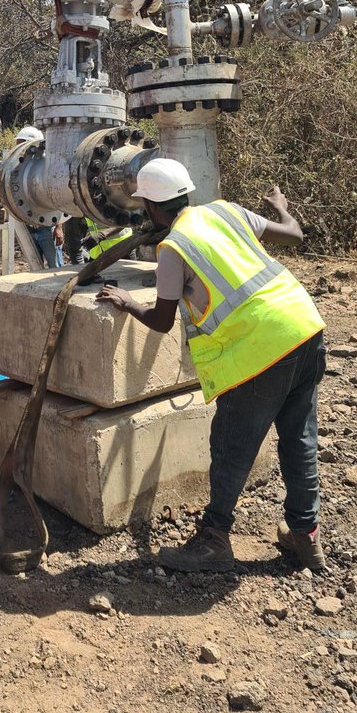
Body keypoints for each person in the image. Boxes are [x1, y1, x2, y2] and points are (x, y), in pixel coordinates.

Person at [96, 157, 326, 573]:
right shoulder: (225, 209)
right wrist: (281, 206)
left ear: (150, 207)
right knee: (300, 437)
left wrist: (128, 302)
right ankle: (305, 535)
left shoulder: (173, 249)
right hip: (305, 326)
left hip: (261, 349)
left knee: (231, 446)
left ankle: (214, 540)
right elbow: (294, 234)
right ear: (187, 192)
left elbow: (162, 320)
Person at [14, 126, 62, 268]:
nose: (19, 148)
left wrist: (59, 228)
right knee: (35, 268)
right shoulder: (20, 166)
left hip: (47, 228)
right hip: (29, 228)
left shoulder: (48, 166)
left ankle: (60, 290)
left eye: (22, 143)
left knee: (56, 267)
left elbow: (59, 200)